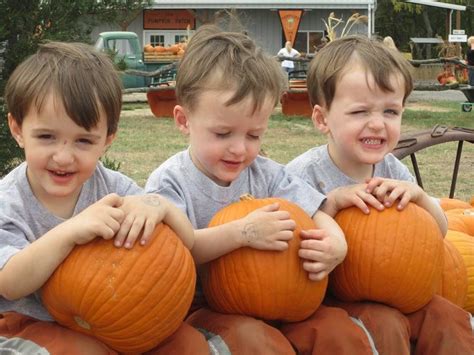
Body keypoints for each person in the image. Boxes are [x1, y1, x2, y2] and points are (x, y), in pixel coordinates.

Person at [145, 25, 377, 354]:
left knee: (335, 330)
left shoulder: (267, 175)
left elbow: (314, 210)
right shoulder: (170, 181)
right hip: (200, 308)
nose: (239, 149)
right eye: (223, 133)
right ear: (184, 121)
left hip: (283, 296)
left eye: (253, 136)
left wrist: (336, 242)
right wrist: (243, 232)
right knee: (251, 339)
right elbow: (178, 250)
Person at [0, 41, 209, 354]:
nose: (63, 156)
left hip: (112, 320)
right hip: (27, 321)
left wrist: (158, 206)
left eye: (84, 141)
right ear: (17, 129)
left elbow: (186, 240)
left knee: (188, 344)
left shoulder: (115, 189)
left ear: (107, 139)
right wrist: (70, 232)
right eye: (46, 137)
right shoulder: (9, 201)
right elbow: (10, 282)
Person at [287, 35, 474, 355]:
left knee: (447, 316)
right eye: (360, 112)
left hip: (392, 290)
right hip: (324, 299)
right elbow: (285, 249)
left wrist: (419, 197)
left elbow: (440, 232)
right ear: (322, 119)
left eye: (390, 111)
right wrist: (329, 203)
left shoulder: (391, 170)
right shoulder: (302, 174)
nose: (377, 124)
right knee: (378, 327)